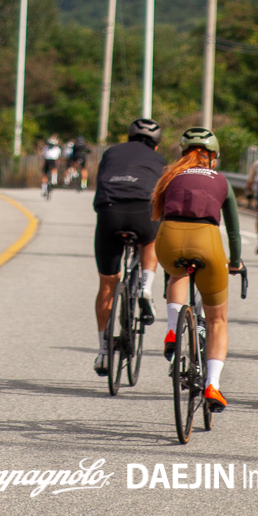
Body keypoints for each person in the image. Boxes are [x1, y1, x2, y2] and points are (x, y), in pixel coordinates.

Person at [151, 126, 242, 413]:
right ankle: (212, 384)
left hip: (168, 241)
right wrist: (236, 261)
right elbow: (234, 231)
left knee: (177, 273)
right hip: (206, 240)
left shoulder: (170, 176)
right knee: (217, 320)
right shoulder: (221, 180)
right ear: (213, 157)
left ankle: (171, 330)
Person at [89, 118, 165, 376]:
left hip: (110, 211)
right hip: (143, 210)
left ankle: (103, 352)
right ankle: (145, 286)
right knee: (151, 239)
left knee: (107, 285)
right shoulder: (160, 160)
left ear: (128, 137)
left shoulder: (112, 152)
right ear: (156, 145)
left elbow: (101, 182)